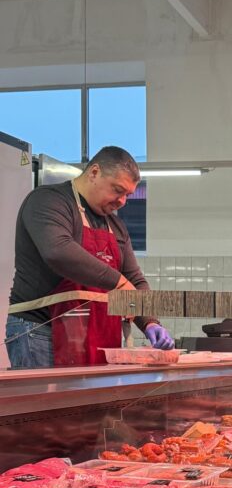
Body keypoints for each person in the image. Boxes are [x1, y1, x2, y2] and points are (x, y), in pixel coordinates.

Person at [5, 145, 174, 368]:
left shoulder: (115, 226)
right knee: (49, 394)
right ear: (94, 172)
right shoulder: (48, 201)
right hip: (41, 331)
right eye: (118, 190)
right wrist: (118, 282)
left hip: (96, 336)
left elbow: (134, 279)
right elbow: (58, 251)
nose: (122, 201)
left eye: (127, 195)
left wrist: (149, 322)